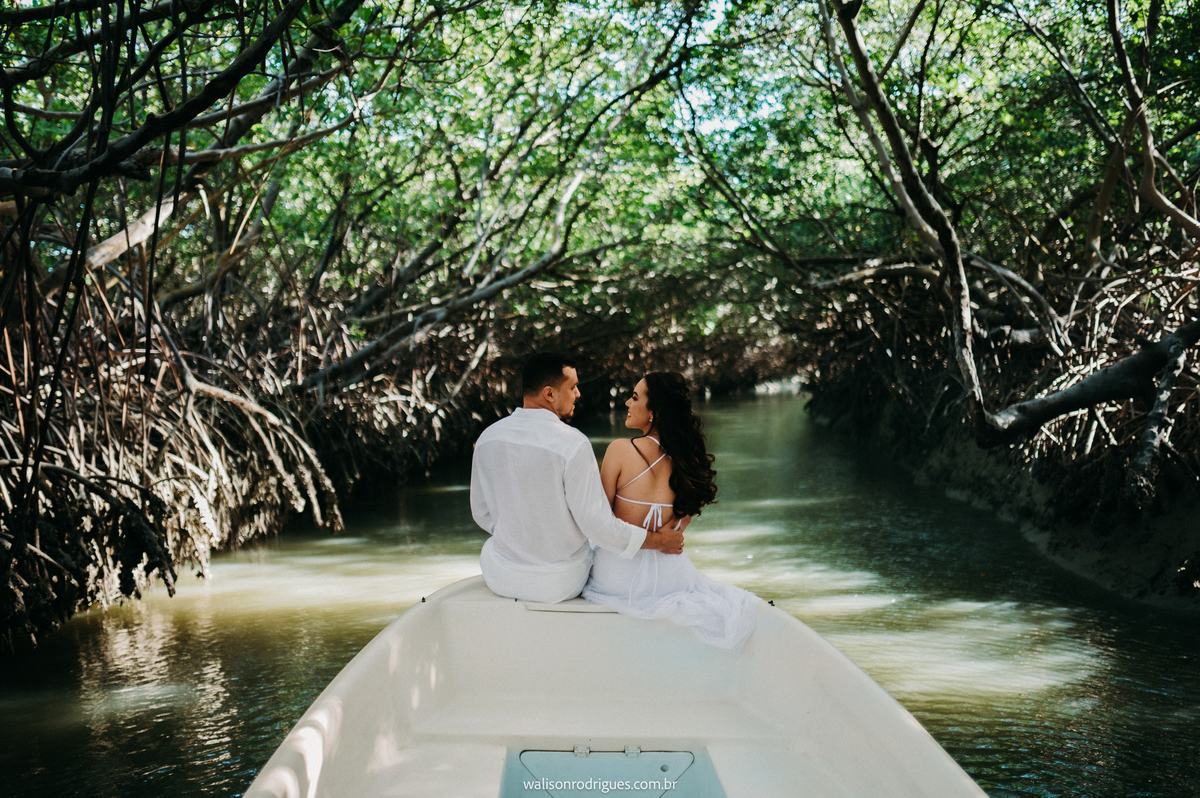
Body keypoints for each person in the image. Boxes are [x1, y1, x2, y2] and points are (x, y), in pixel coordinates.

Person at [470, 353, 686, 603]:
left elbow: (482, 513)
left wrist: (522, 539)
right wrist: (658, 541)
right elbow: (598, 526)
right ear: (550, 394)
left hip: (500, 576)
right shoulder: (573, 444)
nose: (578, 394)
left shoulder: (488, 437)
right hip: (559, 583)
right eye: (572, 387)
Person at [582, 372, 759, 652]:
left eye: (635, 397)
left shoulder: (620, 450)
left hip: (616, 578)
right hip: (669, 578)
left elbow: (600, 523)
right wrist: (662, 538)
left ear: (654, 412)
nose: (627, 402)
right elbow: (680, 525)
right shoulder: (688, 460)